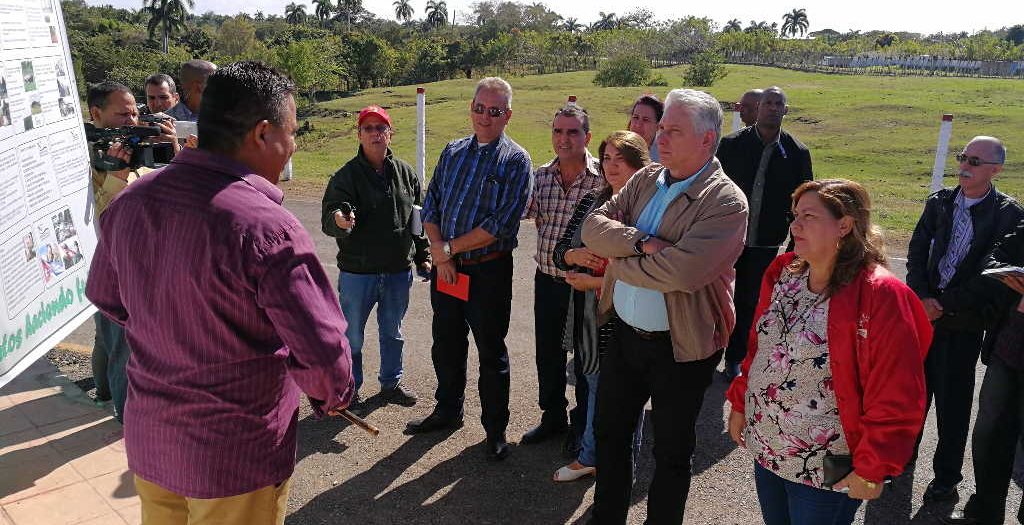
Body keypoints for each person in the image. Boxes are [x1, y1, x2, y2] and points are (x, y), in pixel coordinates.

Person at [85, 61, 354, 525]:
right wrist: (333, 396)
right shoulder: (268, 227)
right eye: (291, 133)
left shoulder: (130, 204)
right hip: (233, 459)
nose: (292, 146)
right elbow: (325, 357)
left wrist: (171, 329)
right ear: (263, 133)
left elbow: (107, 297)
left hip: (153, 442)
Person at [581, 89, 748, 523]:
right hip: (624, 334)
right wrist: (640, 242)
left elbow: (683, 273)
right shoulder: (645, 178)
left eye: (674, 130)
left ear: (708, 140)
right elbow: (592, 229)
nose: (661, 137)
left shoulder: (726, 202)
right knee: (610, 435)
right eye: (662, 127)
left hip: (683, 348)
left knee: (672, 451)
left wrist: (619, 264)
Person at [727, 179, 932, 525]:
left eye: (809, 216)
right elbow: (758, 350)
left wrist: (873, 467)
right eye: (794, 215)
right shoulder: (783, 273)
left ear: (845, 225)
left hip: (826, 467)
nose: (795, 225)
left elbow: (897, 390)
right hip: (768, 448)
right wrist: (739, 402)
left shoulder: (880, 295)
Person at [406, 77, 532, 462]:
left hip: (488, 272)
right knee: (446, 341)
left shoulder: (515, 161)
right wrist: (442, 255)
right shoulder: (453, 151)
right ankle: (447, 410)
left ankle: (495, 430)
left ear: (507, 115)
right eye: (479, 108)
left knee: (491, 351)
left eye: (494, 111)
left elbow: (501, 224)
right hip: (449, 270)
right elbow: (432, 206)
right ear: (471, 108)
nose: (485, 117)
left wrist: (445, 250)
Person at [906, 136, 1023, 503]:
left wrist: (944, 305)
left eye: (974, 160)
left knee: (953, 406)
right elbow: (916, 252)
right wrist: (924, 299)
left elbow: (994, 275)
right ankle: (901, 459)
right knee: (911, 396)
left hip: (963, 324)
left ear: (995, 169)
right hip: (923, 317)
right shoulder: (939, 202)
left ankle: (945, 478)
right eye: (962, 157)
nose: (965, 166)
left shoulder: (1008, 214)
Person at [550, 130, 649, 482]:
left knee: (625, 398)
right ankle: (591, 455)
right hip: (588, 316)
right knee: (591, 383)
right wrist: (573, 255)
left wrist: (596, 282)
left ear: (640, 164)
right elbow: (559, 251)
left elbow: (648, 271)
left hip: (626, 315)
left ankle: (618, 468)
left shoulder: (646, 209)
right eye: (606, 158)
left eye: (619, 160)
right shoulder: (593, 200)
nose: (610, 167)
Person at [321, 105, 429, 412]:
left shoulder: (406, 174)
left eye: (380, 128)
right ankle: (350, 389)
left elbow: (417, 221)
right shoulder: (345, 176)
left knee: (392, 331)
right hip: (359, 272)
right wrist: (340, 220)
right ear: (359, 135)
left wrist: (423, 256)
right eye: (367, 128)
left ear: (390, 134)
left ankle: (390, 384)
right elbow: (332, 215)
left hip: (397, 271)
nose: (374, 134)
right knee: (352, 335)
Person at [86, 80, 179, 421]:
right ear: (96, 113)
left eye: (135, 112)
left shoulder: (136, 142)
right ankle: (127, 420)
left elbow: (172, 190)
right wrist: (116, 176)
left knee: (111, 341)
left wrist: (174, 151)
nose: (133, 120)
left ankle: (107, 393)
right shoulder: (86, 156)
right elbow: (95, 220)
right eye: (122, 114)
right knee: (120, 346)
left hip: (146, 264)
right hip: (111, 270)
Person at [521, 105, 605, 453]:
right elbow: (530, 215)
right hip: (548, 280)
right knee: (548, 354)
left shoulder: (603, 179)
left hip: (585, 287)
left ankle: (582, 423)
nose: (564, 138)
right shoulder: (541, 175)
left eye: (572, 132)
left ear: (587, 136)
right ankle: (552, 415)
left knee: (585, 358)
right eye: (558, 131)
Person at [718, 86, 813, 380]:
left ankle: (735, 358)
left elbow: (804, 203)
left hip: (765, 244)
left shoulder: (797, 153)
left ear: (786, 110)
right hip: (724, 241)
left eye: (778, 104)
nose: (772, 108)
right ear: (758, 108)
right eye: (768, 103)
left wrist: (796, 248)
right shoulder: (731, 145)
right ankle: (704, 356)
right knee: (714, 297)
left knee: (749, 302)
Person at [945, 219, 1024, 525]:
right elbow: (995, 257)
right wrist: (1009, 274)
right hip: (1011, 343)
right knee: (990, 431)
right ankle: (985, 511)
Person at [627, 94, 663, 162]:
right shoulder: (618, 150)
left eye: (646, 120)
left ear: (658, 126)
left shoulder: (665, 158)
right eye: (636, 117)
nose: (638, 125)